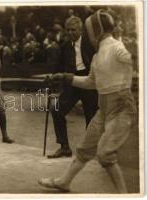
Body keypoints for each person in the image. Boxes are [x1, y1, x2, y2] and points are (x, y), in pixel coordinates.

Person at [38, 10, 137, 193]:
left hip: (122, 108)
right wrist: (66, 77)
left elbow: (131, 60)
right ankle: (64, 182)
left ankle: (125, 195)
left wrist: (134, 60)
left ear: (95, 30)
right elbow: (91, 82)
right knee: (84, 148)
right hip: (104, 109)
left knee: (105, 154)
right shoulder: (98, 55)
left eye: (87, 29)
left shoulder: (117, 48)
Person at [48, 16, 98, 158]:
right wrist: (52, 80)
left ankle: (90, 150)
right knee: (56, 110)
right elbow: (57, 67)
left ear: (80, 30)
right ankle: (64, 147)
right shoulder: (64, 46)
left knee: (91, 117)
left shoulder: (90, 43)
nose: (70, 33)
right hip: (72, 82)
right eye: (68, 30)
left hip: (88, 80)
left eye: (73, 30)